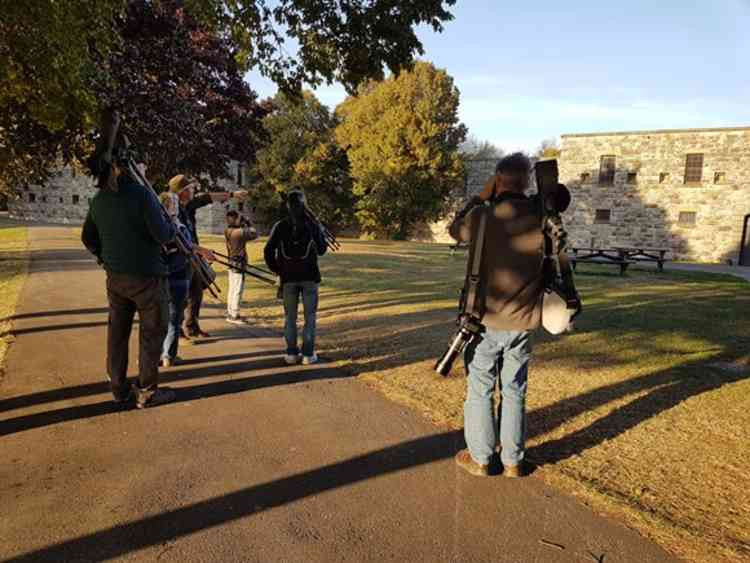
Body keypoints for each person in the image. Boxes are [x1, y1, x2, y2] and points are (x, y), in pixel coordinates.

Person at [448, 152, 548, 478]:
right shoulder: (540, 215)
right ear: (527, 181)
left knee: (480, 386)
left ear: (498, 180)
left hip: (482, 318)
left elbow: (454, 231)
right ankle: (513, 461)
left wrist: (480, 196)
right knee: (515, 388)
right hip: (523, 319)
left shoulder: (482, 215)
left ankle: (480, 457)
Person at [82, 161, 177, 409]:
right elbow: (163, 235)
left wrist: (105, 257)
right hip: (147, 276)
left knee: (117, 333)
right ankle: (146, 391)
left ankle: (118, 388)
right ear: (131, 169)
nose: (144, 170)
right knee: (152, 333)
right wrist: (172, 224)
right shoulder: (142, 195)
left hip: (115, 277)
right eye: (142, 167)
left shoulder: (100, 198)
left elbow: (88, 238)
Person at [166, 174, 247, 340]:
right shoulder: (171, 210)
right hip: (181, 258)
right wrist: (201, 251)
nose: (193, 190)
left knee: (197, 291)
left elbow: (207, 197)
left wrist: (232, 195)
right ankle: (177, 331)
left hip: (194, 256)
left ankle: (192, 327)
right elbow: (177, 238)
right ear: (182, 191)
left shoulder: (189, 205)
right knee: (180, 295)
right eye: (190, 188)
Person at [264, 190, 327, 365]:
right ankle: (308, 353)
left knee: (290, 317)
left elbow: (268, 250)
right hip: (310, 277)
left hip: (288, 278)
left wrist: (277, 269)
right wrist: (319, 230)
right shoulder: (312, 225)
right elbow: (322, 250)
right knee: (310, 317)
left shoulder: (280, 225)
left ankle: (291, 353)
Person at [157, 192, 215, 367]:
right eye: (173, 203)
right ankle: (167, 355)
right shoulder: (177, 227)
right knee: (173, 318)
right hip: (177, 276)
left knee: (161, 319)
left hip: (161, 277)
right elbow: (188, 246)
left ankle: (158, 354)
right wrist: (202, 251)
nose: (176, 205)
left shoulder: (155, 225)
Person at [224, 210, 258, 324]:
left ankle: (230, 312)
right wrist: (248, 222)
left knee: (232, 289)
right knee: (237, 290)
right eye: (238, 218)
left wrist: (241, 222)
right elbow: (255, 233)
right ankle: (234, 315)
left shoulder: (228, 230)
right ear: (234, 219)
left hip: (231, 263)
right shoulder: (238, 232)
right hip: (239, 264)